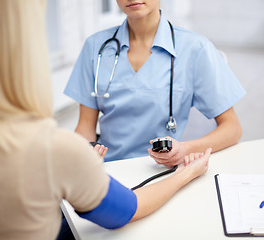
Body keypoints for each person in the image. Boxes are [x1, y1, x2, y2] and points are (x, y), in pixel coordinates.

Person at [0, 1, 211, 239]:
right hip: (114, 182)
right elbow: (127, 210)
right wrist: (185, 174)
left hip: (141, 172)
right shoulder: (54, 150)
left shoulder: (194, 47)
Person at [64, 0, 246, 166]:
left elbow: (232, 128)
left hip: (164, 171)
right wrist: (85, 155)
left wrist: (186, 149)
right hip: (109, 169)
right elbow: (86, 127)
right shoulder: (95, 47)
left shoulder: (195, 49)